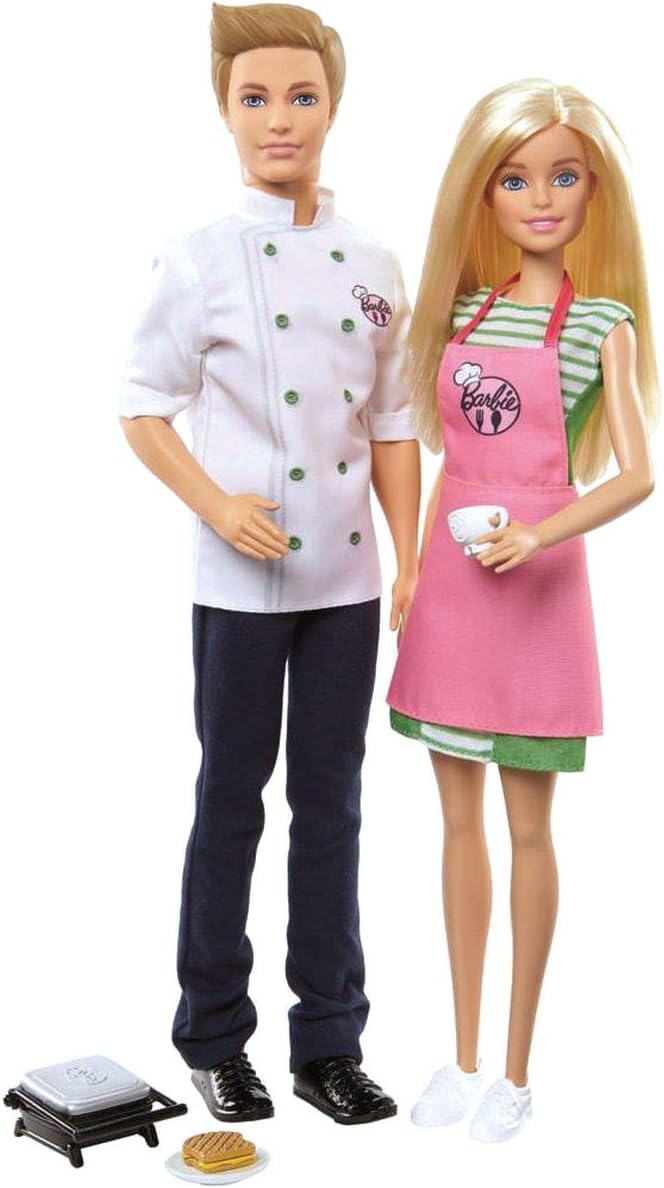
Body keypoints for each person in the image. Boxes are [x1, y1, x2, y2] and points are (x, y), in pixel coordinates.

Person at [118, 3, 420, 1126]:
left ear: (332, 109)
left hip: (347, 582)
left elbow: (393, 424)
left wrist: (410, 562)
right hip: (239, 583)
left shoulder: (373, 260)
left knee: (332, 806)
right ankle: (212, 1036)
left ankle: (329, 1044)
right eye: (255, 98)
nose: (279, 118)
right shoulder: (198, 256)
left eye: (301, 96)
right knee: (229, 800)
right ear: (224, 111)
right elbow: (141, 407)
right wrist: (216, 503)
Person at [387, 79, 657, 1142]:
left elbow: (639, 474)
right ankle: (459, 1057)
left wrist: (541, 535)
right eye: (514, 179)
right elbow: (445, 456)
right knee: (456, 825)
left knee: (528, 829)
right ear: (482, 194)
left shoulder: (601, 325)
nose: (540, 198)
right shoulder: (463, 311)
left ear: (594, 191)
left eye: (562, 176)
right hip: (455, 589)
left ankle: (515, 1070)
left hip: (537, 593)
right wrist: (413, 570)